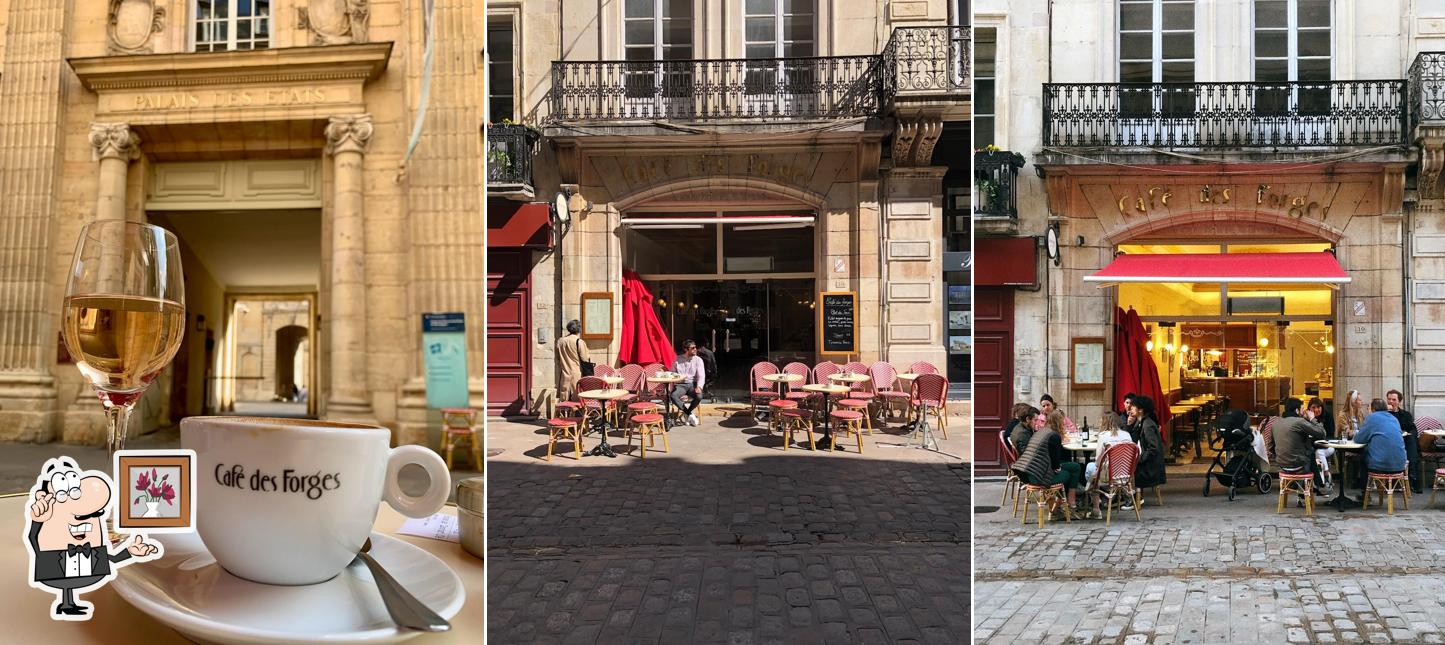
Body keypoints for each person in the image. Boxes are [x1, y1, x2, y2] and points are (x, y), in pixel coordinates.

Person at [1011, 411, 1084, 515]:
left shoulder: (1041, 432)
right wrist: (1060, 468)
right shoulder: (1054, 436)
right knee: (1070, 473)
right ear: (1059, 423)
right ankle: (1067, 505)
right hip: (1040, 477)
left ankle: (1067, 503)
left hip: (1028, 473)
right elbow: (1056, 467)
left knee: (1075, 466)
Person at [1085, 412, 1137, 518]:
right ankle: (1092, 492)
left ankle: (1095, 507)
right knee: (1094, 473)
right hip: (1126, 475)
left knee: (1090, 468)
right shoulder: (1127, 435)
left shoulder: (1103, 436)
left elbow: (1098, 461)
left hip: (1109, 474)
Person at [1270, 397, 1327, 491]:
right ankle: (1317, 486)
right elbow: (1322, 433)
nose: (1303, 411)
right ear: (1297, 410)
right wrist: (1312, 418)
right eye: (1301, 409)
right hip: (1299, 465)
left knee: (1309, 452)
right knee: (1311, 453)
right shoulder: (1299, 422)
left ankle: (1315, 486)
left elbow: (1270, 446)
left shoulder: (1276, 423)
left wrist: (1281, 456)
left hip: (1282, 465)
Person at [1354, 398, 1407, 488]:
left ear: (1373, 409)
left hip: (1380, 465)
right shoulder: (1394, 418)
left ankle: (1365, 493)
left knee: (1363, 455)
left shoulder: (1372, 417)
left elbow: (1359, 439)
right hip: (1400, 465)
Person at [1127, 395, 1166, 509]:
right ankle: (1130, 498)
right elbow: (1132, 439)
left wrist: (1139, 459)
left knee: (1127, 468)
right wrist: (1129, 425)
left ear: (1140, 410)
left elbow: (1153, 448)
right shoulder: (1141, 422)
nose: (1130, 409)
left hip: (1152, 466)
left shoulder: (1147, 425)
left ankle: (1131, 499)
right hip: (1150, 462)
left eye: (1133, 406)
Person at [1385, 389, 1423, 494]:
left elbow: (1413, 429)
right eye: (1389, 399)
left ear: (1399, 401)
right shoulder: (1384, 414)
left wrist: (1409, 434)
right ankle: (1411, 479)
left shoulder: (1405, 414)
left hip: (1404, 441)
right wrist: (1385, 412)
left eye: (1394, 399)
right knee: (1410, 446)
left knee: (1411, 441)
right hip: (1390, 442)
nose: (1391, 402)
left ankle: (1411, 477)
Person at [671, 339, 706, 426]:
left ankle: (687, 413)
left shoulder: (698, 360)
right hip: (680, 384)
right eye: (693, 348)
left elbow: (701, 376)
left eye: (695, 347)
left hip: (692, 384)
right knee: (673, 396)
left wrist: (699, 387)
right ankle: (689, 414)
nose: (695, 349)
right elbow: (672, 373)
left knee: (699, 396)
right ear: (686, 350)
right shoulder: (677, 359)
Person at [555, 319, 589, 402]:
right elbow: (585, 358)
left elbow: (557, 357)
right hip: (576, 372)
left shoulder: (560, 341)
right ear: (579, 329)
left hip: (564, 372)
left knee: (564, 397)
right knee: (576, 397)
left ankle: (564, 413)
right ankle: (576, 414)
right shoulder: (579, 342)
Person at [1308, 397, 1336, 489]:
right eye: (1313, 407)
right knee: (1315, 453)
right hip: (1313, 447)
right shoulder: (1306, 419)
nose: (1316, 410)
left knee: (1318, 453)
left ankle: (1325, 478)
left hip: (1327, 445)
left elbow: (1330, 434)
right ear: (1309, 409)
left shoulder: (1328, 416)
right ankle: (1324, 480)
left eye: (1318, 407)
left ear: (1322, 407)